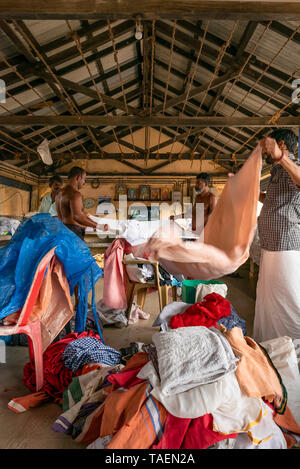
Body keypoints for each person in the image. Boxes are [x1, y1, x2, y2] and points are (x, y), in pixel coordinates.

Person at [253, 128, 300, 342]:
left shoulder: (294, 166)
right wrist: (252, 193)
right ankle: (271, 346)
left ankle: (292, 347)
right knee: (269, 303)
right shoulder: (277, 172)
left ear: (281, 144)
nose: (265, 153)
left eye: (267, 148)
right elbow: (274, 201)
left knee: (288, 301)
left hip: (285, 246)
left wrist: (282, 158)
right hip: (270, 246)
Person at [55, 166, 107, 241]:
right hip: (74, 232)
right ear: (78, 178)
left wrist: (84, 214)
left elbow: (68, 213)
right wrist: (99, 226)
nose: (84, 182)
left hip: (62, 229)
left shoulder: (59, 194)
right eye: (84, 179)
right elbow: (77, 216)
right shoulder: (75, 194)